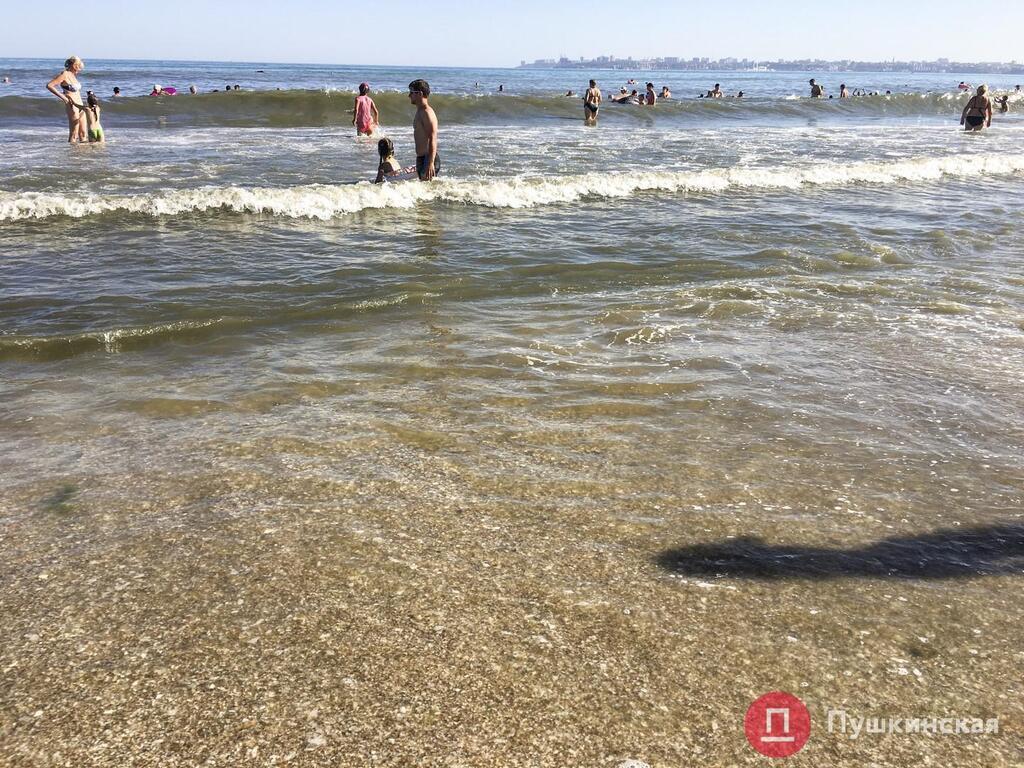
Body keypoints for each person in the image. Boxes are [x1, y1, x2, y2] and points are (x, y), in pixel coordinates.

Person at [46, 56, 86, 143]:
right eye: (79, 67)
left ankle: (82, 155)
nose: (79, 70)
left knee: (83, 133)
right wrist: (64, 98)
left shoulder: (73, 75)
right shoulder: (64, 74)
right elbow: (49, 85)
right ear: (74, 65)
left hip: (81, 106)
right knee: (74, 133)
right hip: (72, 106)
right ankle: (72, 154)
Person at [408, 79, 439, 181]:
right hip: (422, 158)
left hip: (427, 159)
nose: (409, 95)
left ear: (420, 93)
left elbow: (432, 137)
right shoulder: (420, 111)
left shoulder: (426, 112)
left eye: (412, 92)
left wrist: (430, 163)